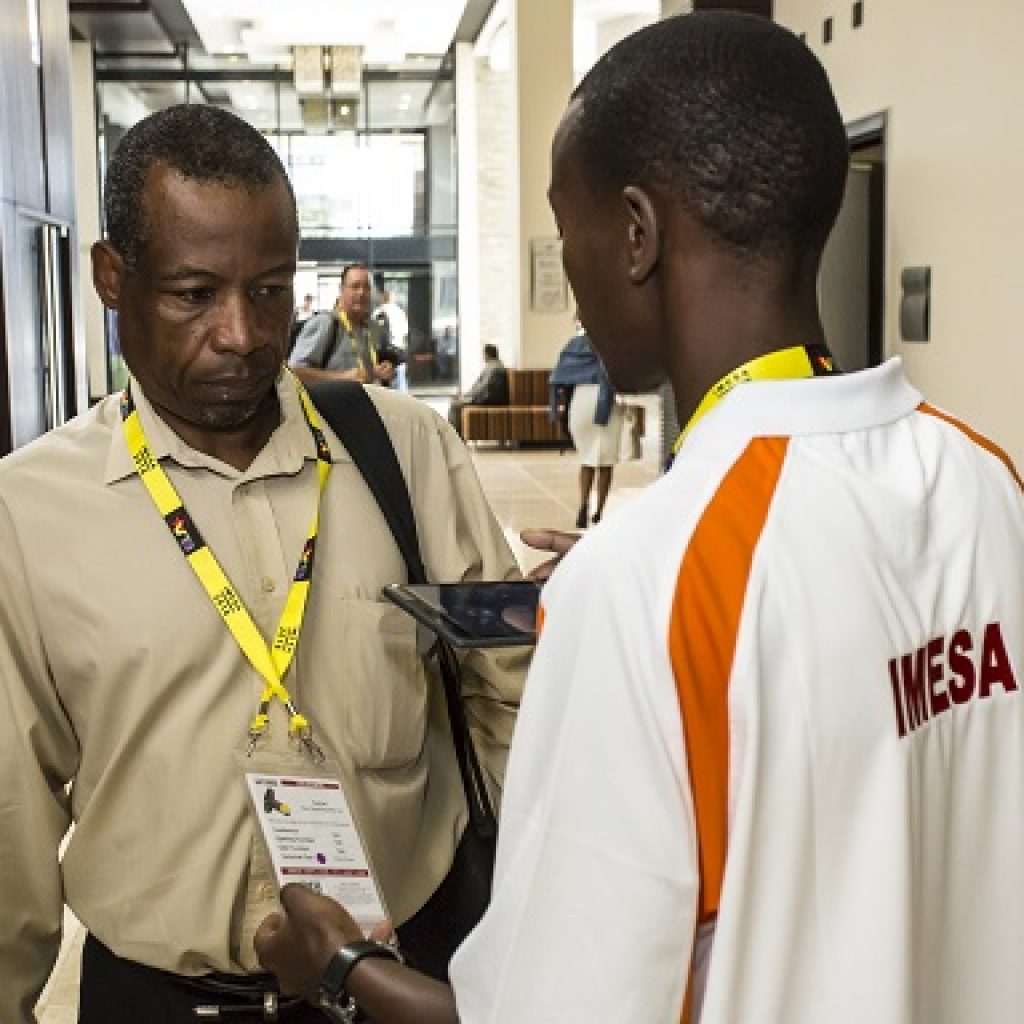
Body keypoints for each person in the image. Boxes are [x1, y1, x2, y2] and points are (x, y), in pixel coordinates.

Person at [254, 12, 1024, 1024]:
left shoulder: (642, 587)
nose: (569, 278)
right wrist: (673, 574)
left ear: (634, 233)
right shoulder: (986, 480)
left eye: (564, 226)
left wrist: (339, 962)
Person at [0, 102, 527, 1023]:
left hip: (401, 980)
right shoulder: (30, 510)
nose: (241, 333)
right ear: (112, 278)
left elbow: (509, 700)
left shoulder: (407, 452)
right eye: (194, 294)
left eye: (272, 290)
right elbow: (10, 817)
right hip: (159, 1000)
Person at [549, 325, 624, 527]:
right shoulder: (611, 343)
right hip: (606, 401)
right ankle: (599, 511)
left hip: (581, 400)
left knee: (587, 459)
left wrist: (557, 408)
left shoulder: (573, 344)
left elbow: (558, 376)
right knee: (605, 462)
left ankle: (583, 505)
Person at [289, 264, 396, 386]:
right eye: (355, 286)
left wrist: (385, 371)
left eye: (366, 287)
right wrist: (341, 378)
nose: (361, 293)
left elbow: (368, 373)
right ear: (341, 289)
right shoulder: (325, 323)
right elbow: (295, 372)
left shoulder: (373, 328)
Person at [447, 344, 509, 438]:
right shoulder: (494, 366)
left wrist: (466, 397)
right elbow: (480, 386)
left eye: (484, 354)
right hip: (486, 397)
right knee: (456, 402)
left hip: (488, 399)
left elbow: (483, 388)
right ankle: (455, 435)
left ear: (487, 355)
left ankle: (452, 436)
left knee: (454, 405)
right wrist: (465, 395)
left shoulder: (494, 368)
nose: (483, 357)